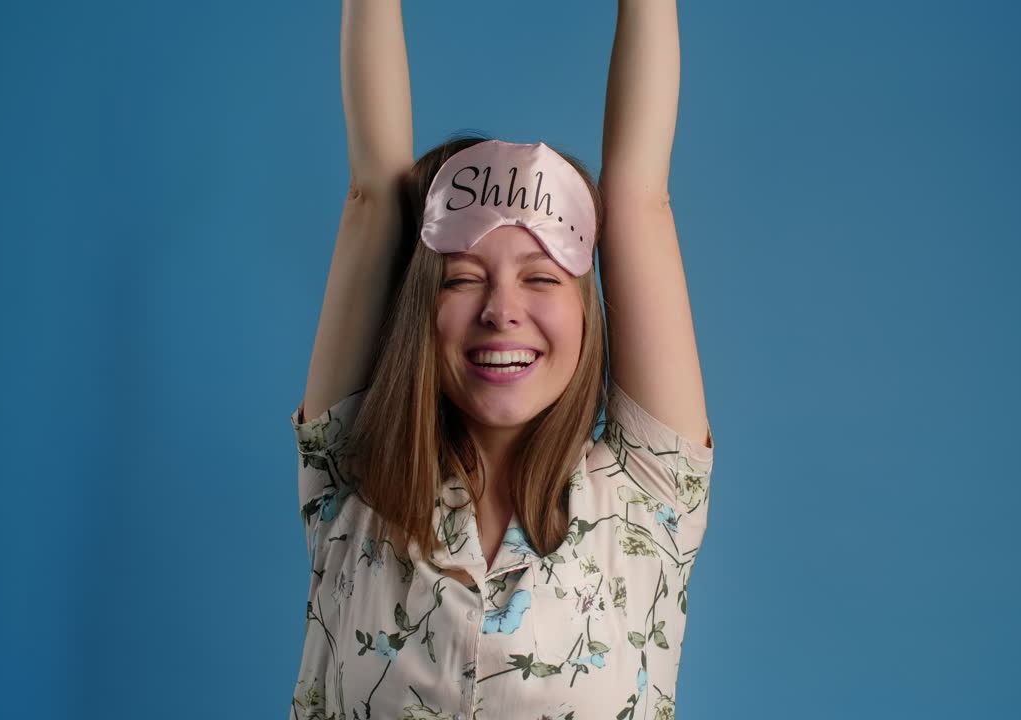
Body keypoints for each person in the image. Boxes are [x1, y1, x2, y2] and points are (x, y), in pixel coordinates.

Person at [290, 2, 713, 718]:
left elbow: (640, 199)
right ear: (418, 309)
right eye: (461, 278)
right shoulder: (353, 478)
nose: (502, 309)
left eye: (542, 277)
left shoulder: (648, 494)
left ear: (586, 310)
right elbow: (373, 192)